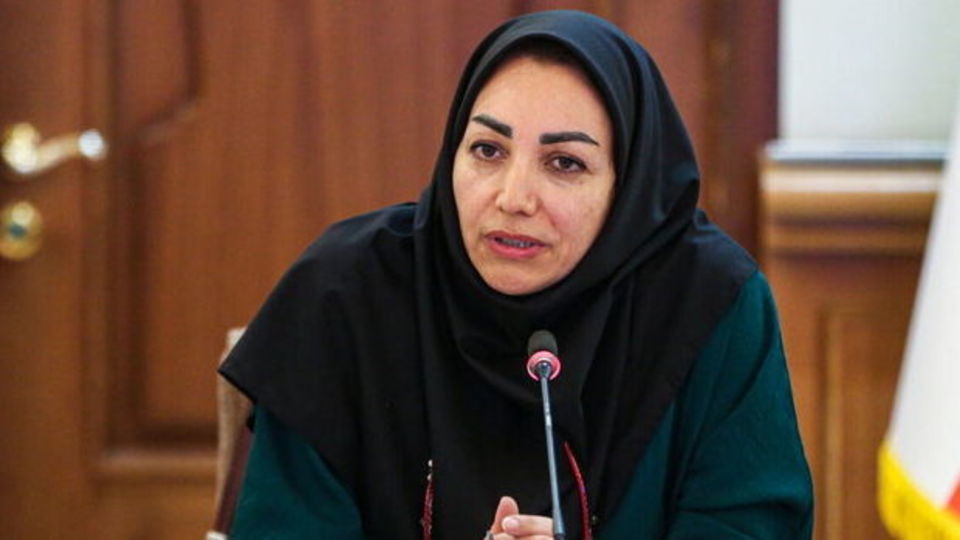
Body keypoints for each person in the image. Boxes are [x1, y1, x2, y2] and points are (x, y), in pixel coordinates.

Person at [219, 10, 813, 539]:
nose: (513, 198)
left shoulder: (708, 302)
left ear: (628, 187)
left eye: (565, 163)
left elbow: (749, 522)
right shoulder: (346, 291)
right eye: (488, 150)